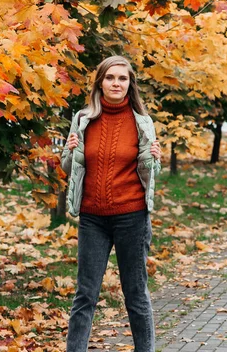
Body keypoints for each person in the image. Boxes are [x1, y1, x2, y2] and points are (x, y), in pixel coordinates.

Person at [61, 55, 162, 352]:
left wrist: (154, 159)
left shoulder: (142, 122)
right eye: (110, 77)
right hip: (93, 218)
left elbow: (150, 173)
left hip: (132, 217)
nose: (116, 83)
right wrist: (68, 152)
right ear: (100, 82)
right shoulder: (82, 119)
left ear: (130, 85)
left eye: (122, 78)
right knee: (85, 295)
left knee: (136, 294)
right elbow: (70, 168)